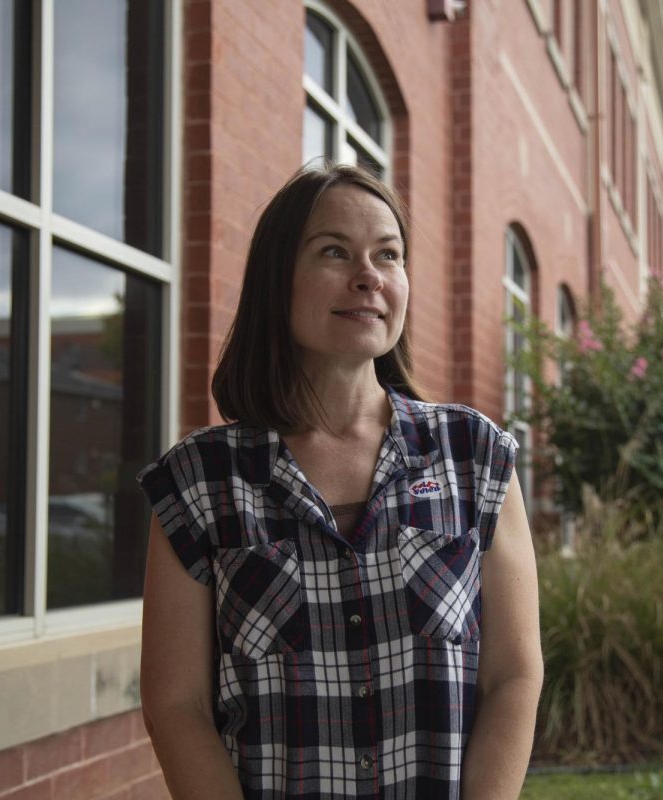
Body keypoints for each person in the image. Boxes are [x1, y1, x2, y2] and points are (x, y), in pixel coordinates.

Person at [138, 164, 543, 799]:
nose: (369, 277)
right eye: (334, 251)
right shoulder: (199, 482)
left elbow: (514, 676)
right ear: (278, 280)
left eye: (389, 254)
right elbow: (176, 704)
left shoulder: (475, 457)